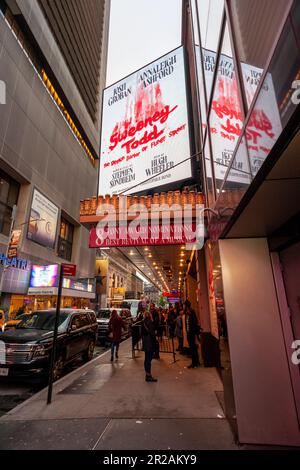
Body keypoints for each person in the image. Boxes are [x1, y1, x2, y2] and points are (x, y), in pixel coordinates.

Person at [141, 310, 157, 382]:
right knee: (149, 359)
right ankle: (148, 375)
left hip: (145, 342)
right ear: (150, 315)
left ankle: (147, 374)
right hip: (150, 342)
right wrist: (155, 341)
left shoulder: (143, 322)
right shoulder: (150, 322)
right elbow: (152, 333)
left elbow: (142, 333)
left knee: (146, 358)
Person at [184, 300, 201, 368]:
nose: (183, 306)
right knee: (192, 347)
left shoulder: (191, 312)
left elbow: (195, 322)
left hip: (191, 333)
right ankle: (196, 362)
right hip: (189, 332)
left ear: (186, 305)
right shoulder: (187, 313)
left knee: (193, 348)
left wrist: (192, 332)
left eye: (184, 305)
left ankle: (194, 362)